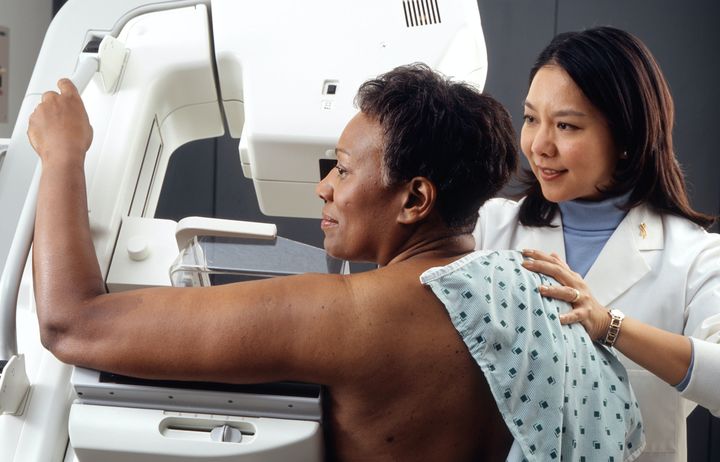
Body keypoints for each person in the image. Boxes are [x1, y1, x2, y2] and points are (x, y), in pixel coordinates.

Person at [28, 63, 644, 462]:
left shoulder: (349, 317)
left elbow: (71, 323)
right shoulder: (535, 291)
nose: (323, 188)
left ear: (414, 199)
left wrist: (63, 156)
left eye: (344, 170)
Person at [473, 26, 720, 462]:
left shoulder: (693, 256)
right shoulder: (488, 227)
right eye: (531, 119)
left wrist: (612, 328)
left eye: (565, 125)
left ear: (626, 138)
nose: (538, 146)